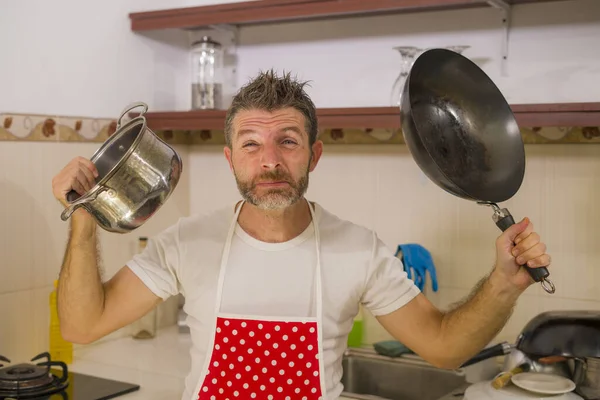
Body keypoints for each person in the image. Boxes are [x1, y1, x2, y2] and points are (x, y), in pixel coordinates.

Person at [51, 70, 552, 400]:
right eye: (251, 144)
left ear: (313, 155)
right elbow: (81, 326)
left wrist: (504, 283)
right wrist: (83, 217)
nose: (269, 160)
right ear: (230, 159)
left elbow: (445, 348)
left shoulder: (359, 250)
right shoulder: (187, 242)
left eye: (287, 141)